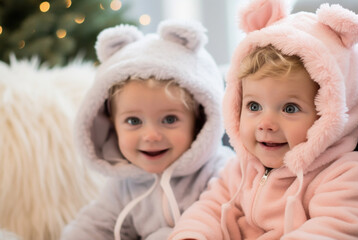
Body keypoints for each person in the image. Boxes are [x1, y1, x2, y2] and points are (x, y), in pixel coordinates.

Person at [169, 0, 358, 239]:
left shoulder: (345, 177)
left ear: (331, 114)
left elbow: (339, 228)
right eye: (254, 106)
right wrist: (192, 235)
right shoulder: (241, 169)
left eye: (289, 108)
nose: (266, 124)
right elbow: (209, 209)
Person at [61, 19, 235, 240]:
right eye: (134, 121)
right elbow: (95, 225)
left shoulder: (221, 172)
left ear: (200, 121)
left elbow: (225, 226)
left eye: (170, 119)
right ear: (112, 125)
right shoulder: (124, 184)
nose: (151, 136)